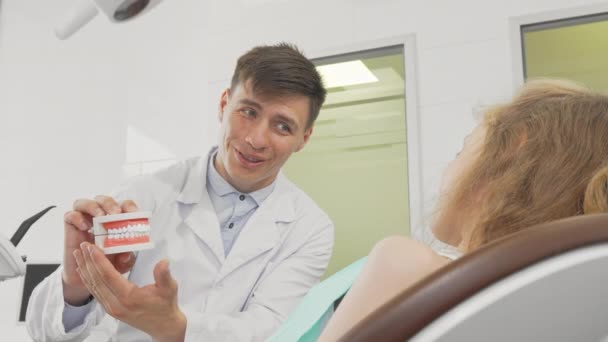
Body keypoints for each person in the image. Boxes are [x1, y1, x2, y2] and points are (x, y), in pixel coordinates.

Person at [26, 42, 334, 342]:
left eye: (282, 126)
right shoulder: (145, 195)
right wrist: (77, 287)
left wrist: (176, 327)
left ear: (304, 138)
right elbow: (45, 334)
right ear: (224, 104)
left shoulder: (309, 229)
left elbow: (274, 330)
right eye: (248, 112)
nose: (256, 139)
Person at [268, 79, 608, 342]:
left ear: (502, 171)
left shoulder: (407, 264)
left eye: (461, 149)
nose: (448, 165)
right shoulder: (561, 313)